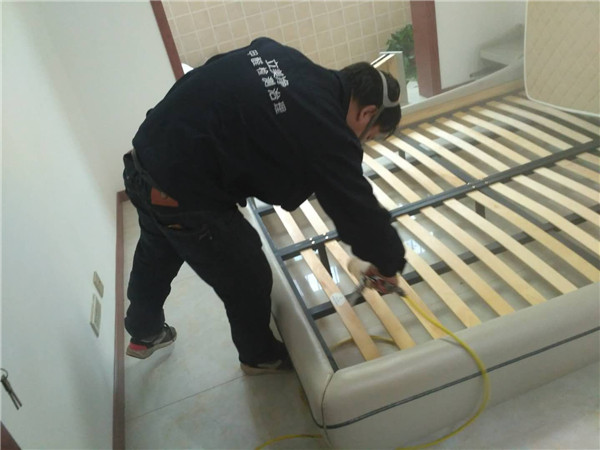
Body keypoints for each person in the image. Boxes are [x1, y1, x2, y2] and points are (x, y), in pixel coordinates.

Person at [122, 37, 406, 374]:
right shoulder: (325, 127)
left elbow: (218, 74)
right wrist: (388, 263)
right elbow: (356, 209)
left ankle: (143, 331)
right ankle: (258, 357)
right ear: (367, 113)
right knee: (247, 272)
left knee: (157, 250)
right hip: (180, 190)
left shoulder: (282, 56)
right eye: (369, 135)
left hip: (143, 160)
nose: (361, 142)